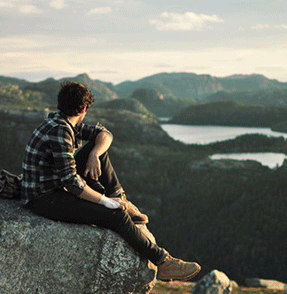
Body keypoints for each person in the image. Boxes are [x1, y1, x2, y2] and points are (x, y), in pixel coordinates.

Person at [21, 81, 201, 281]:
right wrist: (106, 202)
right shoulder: (60, 131)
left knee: (99, 152)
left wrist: (95, 154)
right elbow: (71, 182)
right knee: (115, 216)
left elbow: (104, 134)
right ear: (84, 108)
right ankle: (163, 262)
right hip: (44, 198)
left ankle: (120, 198)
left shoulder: (61, 121)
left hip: (53, 184)